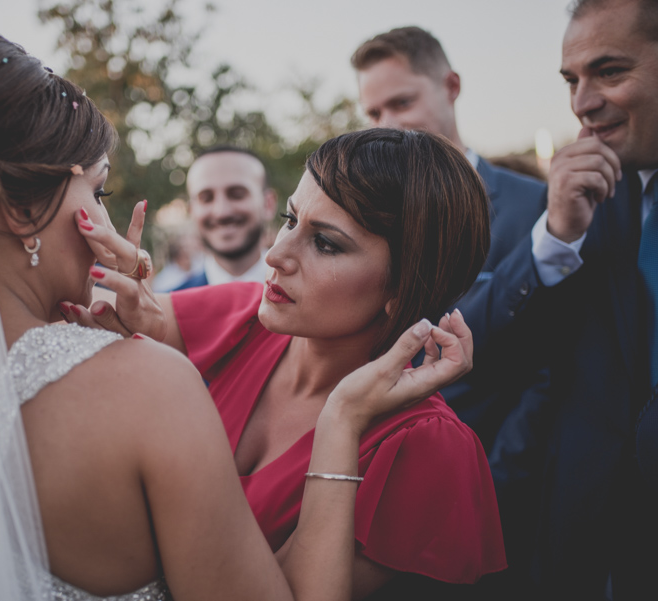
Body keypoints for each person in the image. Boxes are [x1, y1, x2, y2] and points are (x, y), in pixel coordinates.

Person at [0, 30, 478, 601]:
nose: (275, 255)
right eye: (99, 190)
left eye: (323, 240)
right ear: (22, 209)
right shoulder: (145, 386)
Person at [63, 128, 508, 598]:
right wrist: (117, 286)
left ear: (402, 290)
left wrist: (342, 419)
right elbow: (79, 310)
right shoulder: (244, 319)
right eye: (290, 219)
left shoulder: (426, 447)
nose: (275, 255)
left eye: (326, 244)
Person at [447, 0, 658, 597]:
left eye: (611, 72)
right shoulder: (583, 208)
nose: (582, 102)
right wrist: (555, 238)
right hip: (590, 557)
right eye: (572, 80)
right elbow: (482, 357)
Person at [350, 26, 549, 454]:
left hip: (498, 456)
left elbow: (550, 365)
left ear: (451, 86)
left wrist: (503, 473)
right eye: (373, 113)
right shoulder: (362, 218)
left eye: (402, 102)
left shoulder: (535, 206)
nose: (388, 124)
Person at [172, 146, 278, 290]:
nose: (221, 212)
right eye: (206, 198)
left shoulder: (308, 299)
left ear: (268, 204)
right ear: (191, 211)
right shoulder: (168, 307)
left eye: (237, 194)